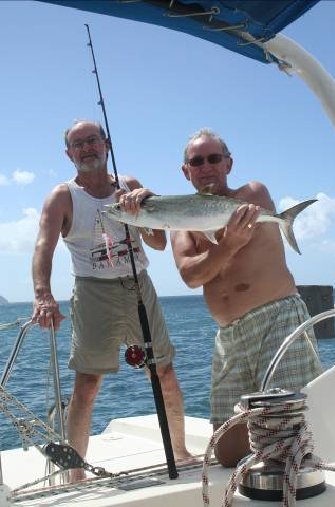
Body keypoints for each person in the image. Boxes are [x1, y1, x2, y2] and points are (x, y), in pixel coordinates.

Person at [31, 119, 193, 481]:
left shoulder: (131, 186)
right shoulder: (62, 197)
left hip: (139, 286)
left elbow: (157, 243)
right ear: (69, 154)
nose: (87, 148)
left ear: (106, 144)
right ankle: (76, 473)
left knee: (163, 371)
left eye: (93, 140)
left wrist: (143, 211)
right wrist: (43, 294)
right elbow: (44, 245)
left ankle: (180, 452)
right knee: (87, 383)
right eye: (78, 144)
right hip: (92, 291)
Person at [170, 128, 323, 467]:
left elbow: (214, 252)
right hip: (229, 335)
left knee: (290, 430)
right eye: (197, 161)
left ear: (228, 163)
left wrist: (217, 248)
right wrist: (227, 245)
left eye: (214, 158)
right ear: (186, 170)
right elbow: (191, 275)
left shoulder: (252, 194)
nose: (206, 166)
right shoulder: (181, 224)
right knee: (227, 452)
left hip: (278, 318)